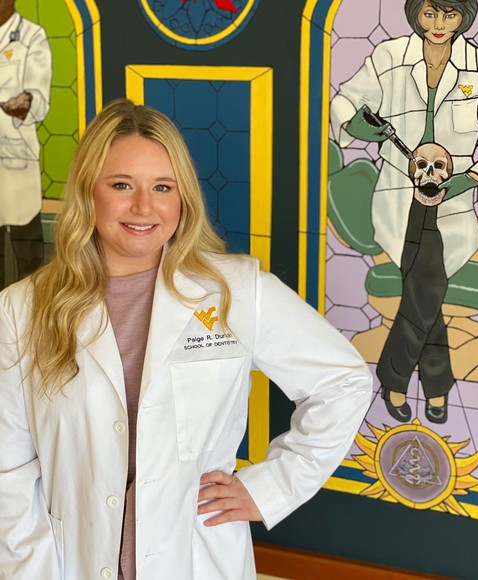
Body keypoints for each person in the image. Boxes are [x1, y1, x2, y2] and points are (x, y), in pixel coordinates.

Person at [0, 99, 373, 579]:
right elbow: (8, 469)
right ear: (88, 192)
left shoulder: (237, 291)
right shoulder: (22, 309)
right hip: (68, 561)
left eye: (162, 187)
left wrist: (272, 487)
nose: (144, 207)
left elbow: (344, 381)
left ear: (183, 197)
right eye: (121, 185)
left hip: (195, 560)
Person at [330, 0, 478, 423]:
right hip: (398, 201)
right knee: (427, 294)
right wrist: (354, 125)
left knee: (423, 294)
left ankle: (396, 379)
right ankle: (435, 388)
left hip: (452, 205)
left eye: (449, 15)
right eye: (429, 13)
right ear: (415, 13)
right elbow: (345, 101)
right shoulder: (389, 56)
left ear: (464, 17)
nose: (438, 24)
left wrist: (473, 178)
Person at [0, 0, 52, 288]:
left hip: (16, 157)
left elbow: (40, 99)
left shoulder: (32, 36)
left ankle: (34, 310)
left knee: (28, 256)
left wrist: (26, 103)